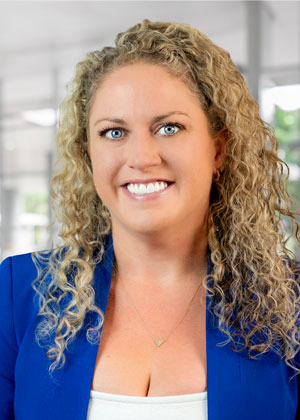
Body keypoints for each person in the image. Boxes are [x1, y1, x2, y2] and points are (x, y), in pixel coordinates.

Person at [0, 18, 300, 420]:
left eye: (169, 127)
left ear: (218, 150)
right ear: (88, 156)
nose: (141, 158)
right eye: (113, 132)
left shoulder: (290, 301)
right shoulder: (19, 291)